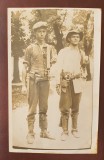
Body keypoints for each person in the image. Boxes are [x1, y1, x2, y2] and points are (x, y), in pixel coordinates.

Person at [22, 21, 57, 144]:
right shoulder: (30, 48)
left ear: (46, 33)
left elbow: (54, 65)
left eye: (44, 31)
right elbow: (25, 67)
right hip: (32, 80)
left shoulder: (51, 48)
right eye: (39, 32)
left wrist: (53, 75)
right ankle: (30, 132)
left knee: (44, 106)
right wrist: (23, 85)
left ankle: (44, 131)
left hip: (45, 81)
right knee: (32, 107)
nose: (42, 34)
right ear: (35, 33)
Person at [56, 29, 89, 141]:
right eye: (73, 36)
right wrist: (57, 82)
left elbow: (84, 70)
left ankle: (74, 129)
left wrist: (83, 76)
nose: (76, 38)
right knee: (65, 107)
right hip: (66, 81)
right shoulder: (63, 52)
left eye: (77, 37)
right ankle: (65, 131)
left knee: (75, 107)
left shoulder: (81, 53)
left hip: (77, 81)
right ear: (69, 39)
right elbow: (58, 67)